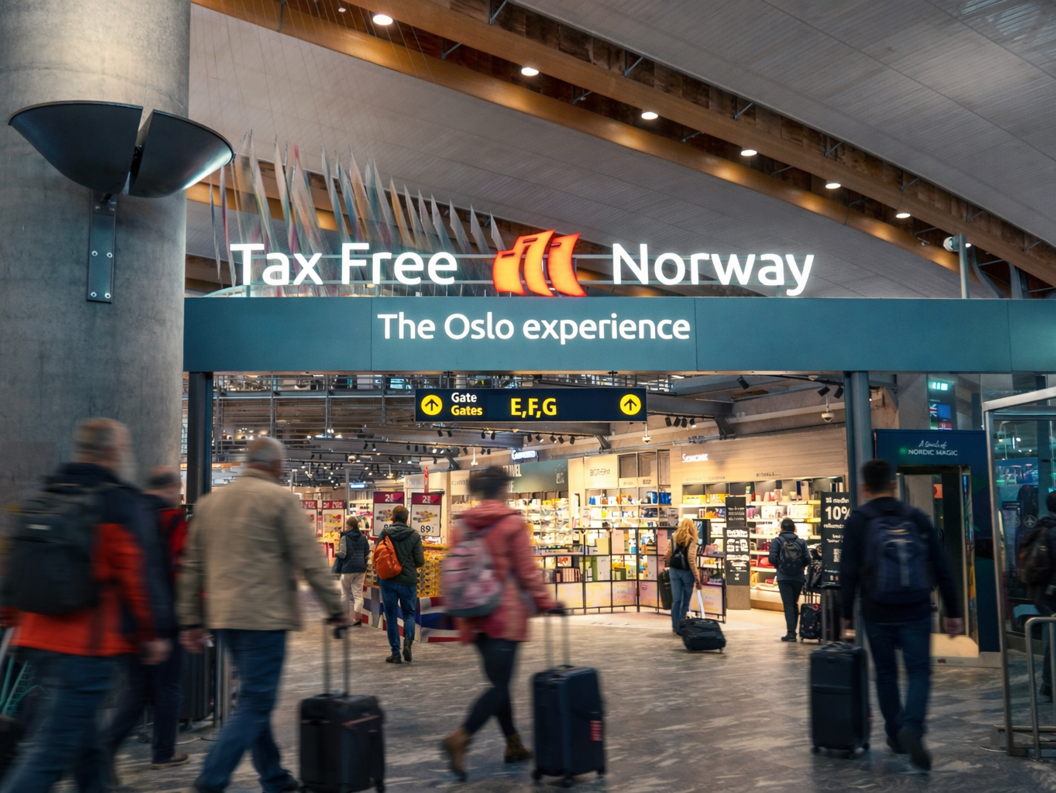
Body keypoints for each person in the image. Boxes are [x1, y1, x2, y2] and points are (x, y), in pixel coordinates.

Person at [0, 418, 170, 793]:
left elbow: (14, 570)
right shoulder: (117, 502)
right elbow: (138, 576)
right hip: (85, 649)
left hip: (35, 640)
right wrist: (154, 633)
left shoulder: (48, 494)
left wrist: (11, 620)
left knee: (87, 744)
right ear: (112, 452)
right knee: (50, 753)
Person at [176, 437, 346, 793]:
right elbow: (310, 560)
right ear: (275, 466)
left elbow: (191, 567)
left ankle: (274, 777)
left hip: (224, 618)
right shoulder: (280, 500)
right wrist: (335, 607)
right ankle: (212, 779)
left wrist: (190, 620)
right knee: (256, 701)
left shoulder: (211, 504)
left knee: (254, 698)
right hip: (265, 619)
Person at [840, 459, 962, 772]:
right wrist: (953, 610)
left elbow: (848, 572)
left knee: (885, 673)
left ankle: (895, 735)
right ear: (893, 484)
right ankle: (913, 727)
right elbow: (941, 564)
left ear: (864, 488)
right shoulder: (916, 517)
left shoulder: (858, 520)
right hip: (917, 608)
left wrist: (847, 617)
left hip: (876, 610)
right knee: (919, 671)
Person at [440, 467, 558, 782]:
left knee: (498, 684)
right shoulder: (511, 523)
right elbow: (526, 570)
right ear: (503, 489)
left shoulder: (462, 525)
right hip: (503, 616)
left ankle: (513, 743)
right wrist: (547, 602)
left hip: (473, 616)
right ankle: (461, 737)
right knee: (500, 686)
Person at [103, 466, 190, 780]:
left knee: (138, 690)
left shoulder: (130, 512)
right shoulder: (172, 519)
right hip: (161, 621)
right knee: (168, 688)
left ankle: (108, 747)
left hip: (127, 619)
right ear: (172, 488)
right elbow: (178, 572)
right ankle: (163, 752)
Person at [376, 505, 424, 664]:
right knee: (408, 614)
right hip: (408, 581)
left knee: (390, 617)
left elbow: (377, 555)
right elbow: (420, 562)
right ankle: (408, 642)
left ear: (393, 518)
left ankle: (395, 653)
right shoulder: (415, 536)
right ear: (407, 518)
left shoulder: (385, 533)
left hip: (388, 580)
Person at [1025, 492, 1056, 702]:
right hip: (1052, 593)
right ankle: (1049, 684)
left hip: (1042, 593)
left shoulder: (1042, 527)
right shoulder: (1053, 532)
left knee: (1053, 638)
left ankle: (1048, 684)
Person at [769, 517, 810, 641]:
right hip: (798, 577)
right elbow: (808, 559)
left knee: (788, 604)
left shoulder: (777, 541)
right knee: (793, 603)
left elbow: (771, 558)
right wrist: (799, 567)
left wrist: (780, 566)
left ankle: (791, 633)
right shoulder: (801, 542)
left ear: (781, 528)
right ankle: (793, 631)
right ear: (794, 528)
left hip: (783, 577)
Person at [664, 519, 702, 632]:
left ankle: (675, 626)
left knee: (676, 600)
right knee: (685, 600)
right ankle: (681, 624)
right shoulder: (692, 540)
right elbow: (691, 559)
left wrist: (669, 562)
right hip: (687, 572)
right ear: (692, 527)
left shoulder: (674, 537)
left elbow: (668, 553)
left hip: (674, 570)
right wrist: (697, 577)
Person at [332, 515, 370, 626]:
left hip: (347, 569)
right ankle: (357, 619)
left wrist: (336, 553)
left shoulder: (344, 537)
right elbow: (367, 554)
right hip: (360, 569)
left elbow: (342, 554)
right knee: (358, 594)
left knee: (345, 594)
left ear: (349, 525)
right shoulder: (363, 538)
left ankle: (345, 618)